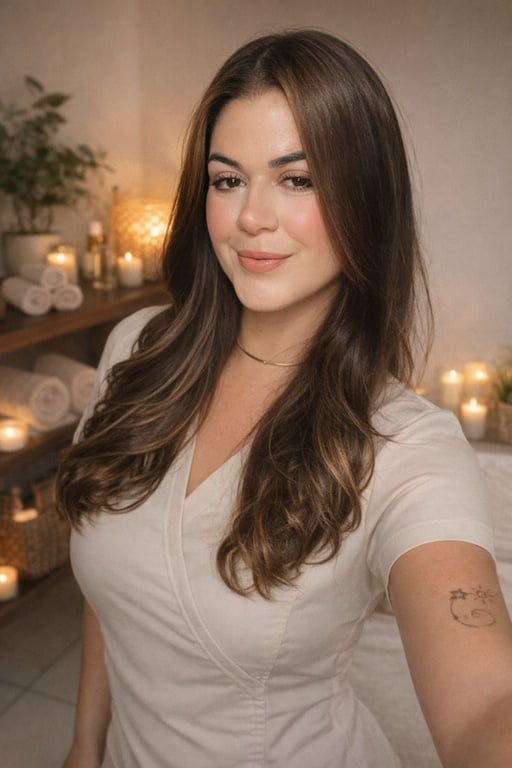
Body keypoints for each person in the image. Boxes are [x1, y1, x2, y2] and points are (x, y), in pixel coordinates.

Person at [58, 29, 512, 768]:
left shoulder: (407, 446)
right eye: (227, 180)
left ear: (366, 200)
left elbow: (487, 706)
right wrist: (85, 746)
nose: (251, 218)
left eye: (297, 180)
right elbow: (112, 588)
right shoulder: (138, 349)